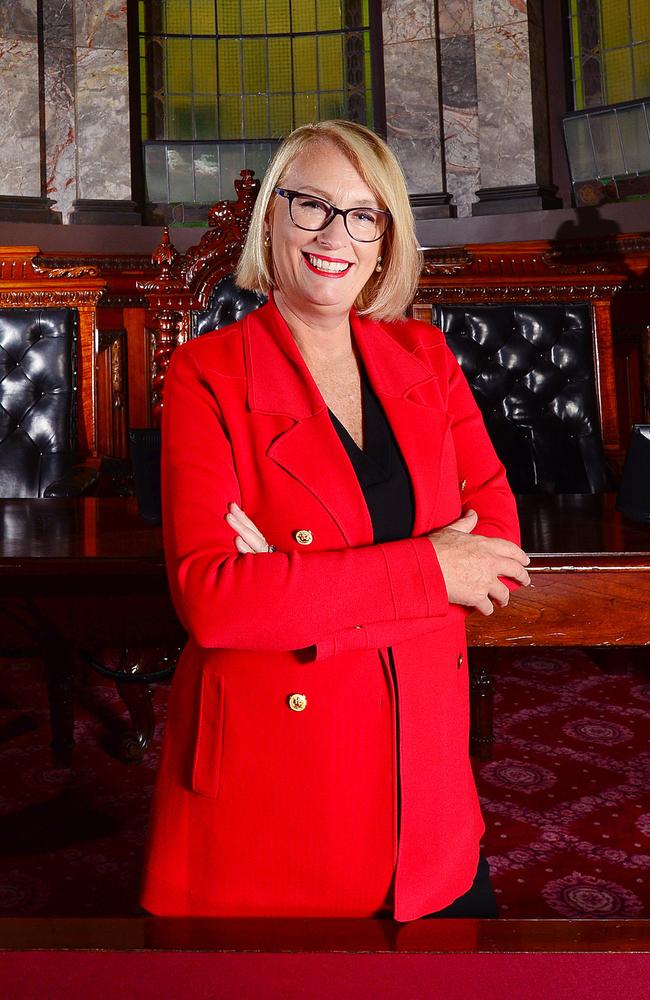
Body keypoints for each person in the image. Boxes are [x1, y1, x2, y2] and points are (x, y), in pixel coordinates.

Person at [140, 120, 530, 922]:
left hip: (427, 786)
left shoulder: (425, 356)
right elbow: (215, 601)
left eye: (364, 213)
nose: (335, 236)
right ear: (271, 221)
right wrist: (429, 569)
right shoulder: (205, 373)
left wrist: (293, 586)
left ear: (386, 239)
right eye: (311, 206)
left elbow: (492, 551)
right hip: (276, 787)